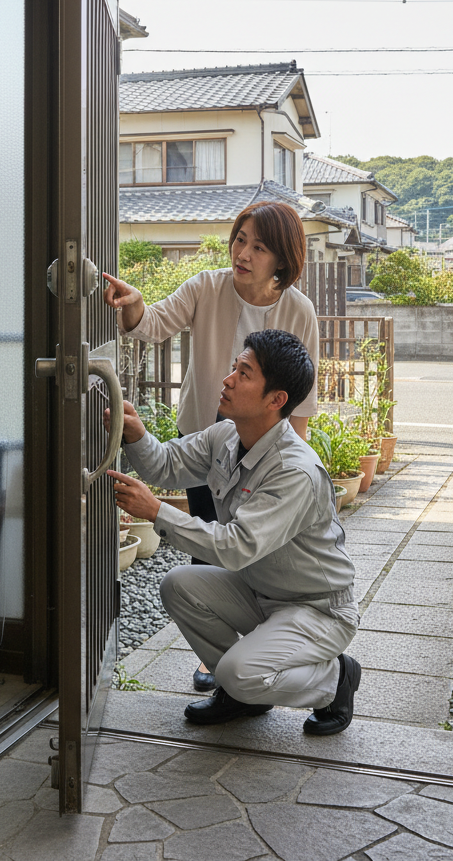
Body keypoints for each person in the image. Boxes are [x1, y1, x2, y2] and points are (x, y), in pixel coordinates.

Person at [103, 201, 319, 692]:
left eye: (258, 246)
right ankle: (215, 658)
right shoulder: (207, 286)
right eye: (240, 239)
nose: (243, 252)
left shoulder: (298, 310)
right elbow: (151, 323)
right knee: (205, 554)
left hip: (265, 452)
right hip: (203, 441)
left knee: (256, 554)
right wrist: (134, 302)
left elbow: (300, 401)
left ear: (281, 259)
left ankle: (257, 654)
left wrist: (293, 465)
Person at [105, 329, 360, 737]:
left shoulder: (294, 471)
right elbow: (166, 464)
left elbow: (237, 547)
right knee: (179, 584)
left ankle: (335, 680)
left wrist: (156, 511)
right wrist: (136, 433)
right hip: (263, 593)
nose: (228, 379)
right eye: (234, 367)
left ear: (276, 400)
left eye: (244, 373)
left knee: (239, 672)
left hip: (317, 609)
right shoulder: (227, 434)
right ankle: (243, 694)